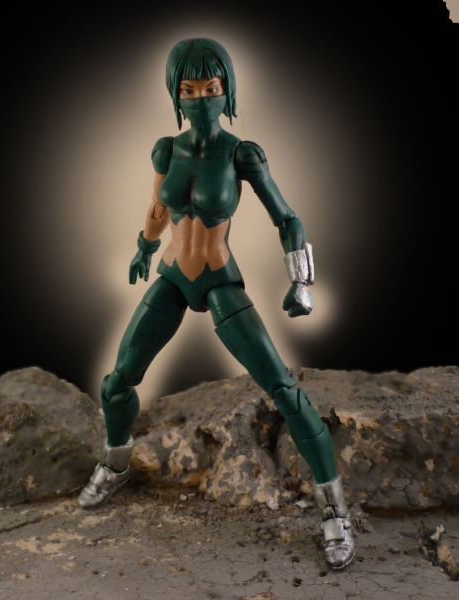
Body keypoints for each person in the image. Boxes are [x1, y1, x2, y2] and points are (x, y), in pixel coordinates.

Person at [78, 38, 355, 570]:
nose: (201, 98)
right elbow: (159, 206)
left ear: (227, 90)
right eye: (189, 89)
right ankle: (115, 463)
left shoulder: (241, 153)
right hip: (172, 277)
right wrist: (144, 247)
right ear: (175, 94)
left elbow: (287, 218)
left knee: (283, 389)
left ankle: (335, 510)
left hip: (218, 279)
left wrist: (302, 281)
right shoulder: (166, 150)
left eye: (211, 87)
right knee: (117, 383)